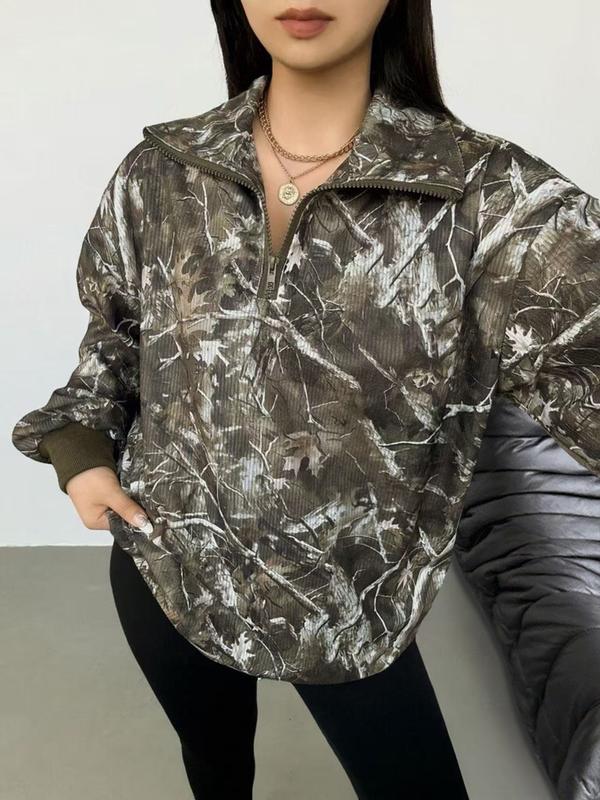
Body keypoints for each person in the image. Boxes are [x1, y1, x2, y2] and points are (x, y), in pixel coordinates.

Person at [11, 1, 600, 798]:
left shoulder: (488, 201)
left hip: (348, 609)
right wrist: (81, 454)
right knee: (216, 765)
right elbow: (117, 338)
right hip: (167, 568)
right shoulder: (164, 172)